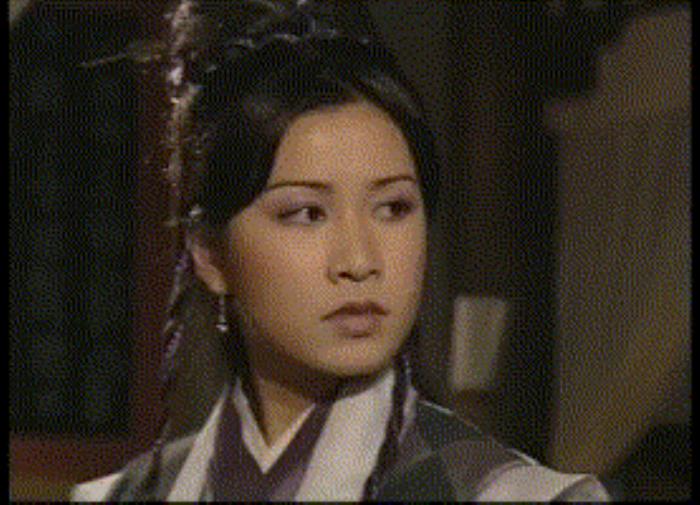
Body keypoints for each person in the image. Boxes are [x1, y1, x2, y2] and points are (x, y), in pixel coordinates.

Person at [72, 0, 610, 501]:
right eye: (307, 213)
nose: (359, 261)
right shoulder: (120, 497)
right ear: (211, 255)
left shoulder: (515, 495)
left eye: (393, 208)